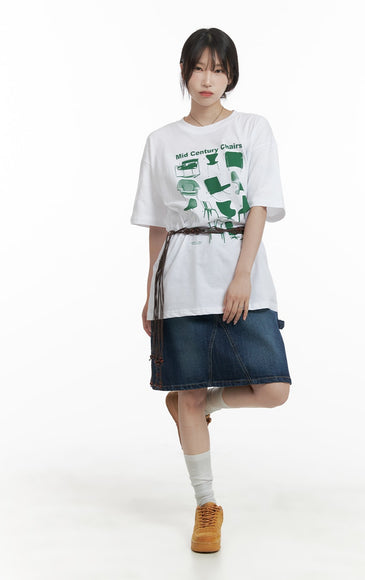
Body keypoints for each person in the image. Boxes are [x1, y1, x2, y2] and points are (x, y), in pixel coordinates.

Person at [130, 27, 292, 553]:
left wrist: (243, 274)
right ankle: (206, 505)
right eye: (198, 68)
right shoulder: (161, 141)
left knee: (273, 388)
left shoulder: (251, 128)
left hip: (240, 276)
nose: (207, 79)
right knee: (188, 391)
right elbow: (159, 225)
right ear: (184, 72)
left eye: (218, 69)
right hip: (179, 280)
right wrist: (150, 292)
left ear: (230, 76)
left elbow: (258, 205)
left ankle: (203, 406)